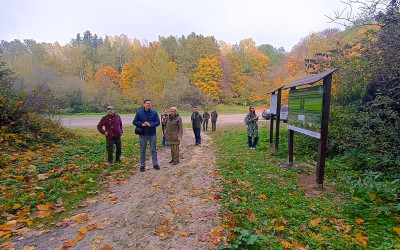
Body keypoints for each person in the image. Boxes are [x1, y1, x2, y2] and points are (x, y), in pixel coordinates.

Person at [133, 99, 160, 172]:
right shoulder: (139, 112)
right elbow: (134, 122)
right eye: (147, 103)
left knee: (153, 150)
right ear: (144, 104)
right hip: (143, 134)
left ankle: (155, 164)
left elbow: (158, 122)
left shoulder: (154, 112)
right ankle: (142, 165)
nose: (148, 105)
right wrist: (141, 124)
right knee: (142, 150)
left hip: (152, 134)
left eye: (150, 103)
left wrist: (151, 125)